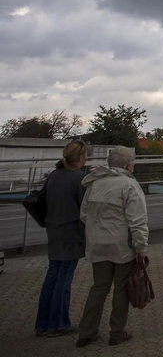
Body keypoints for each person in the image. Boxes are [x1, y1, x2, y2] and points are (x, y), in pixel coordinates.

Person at [75, 147, 148, 348]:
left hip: (97, 245)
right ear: (128, 165)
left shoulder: (94, 183)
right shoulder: (129, 185)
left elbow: (84, 214)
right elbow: (138, 221)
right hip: (121, 246)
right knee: (122, 287)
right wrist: (141, 247)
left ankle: (87, 332)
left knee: (99, 287)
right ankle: (117, 331)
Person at [35, 140, 88, 337]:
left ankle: (43, 323)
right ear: (81, 158)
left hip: (53, 229)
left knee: (53, 275)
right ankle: (58, 323)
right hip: (70, 231)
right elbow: (85, 210)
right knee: (64, 278)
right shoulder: (79, 179)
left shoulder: (54, 175)